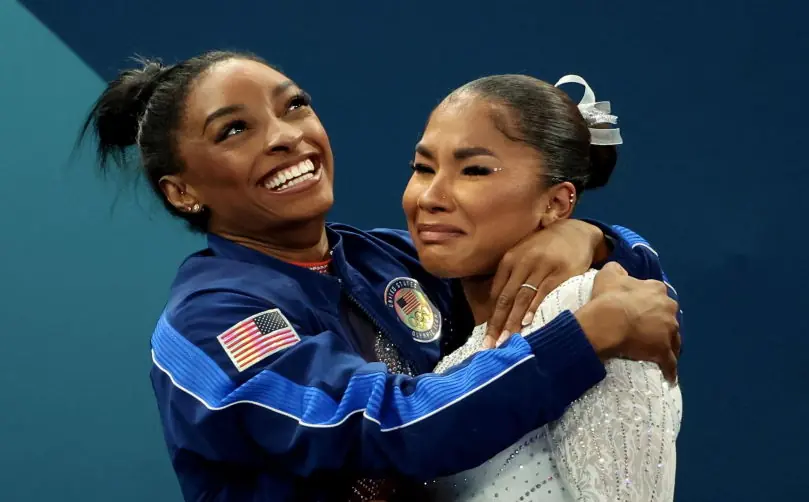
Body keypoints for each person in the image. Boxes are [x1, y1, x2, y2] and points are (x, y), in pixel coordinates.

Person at [80, 50, 681, 501]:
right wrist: (584, 336)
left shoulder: (388, 258)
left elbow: (622, 295)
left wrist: (593, 236)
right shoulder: (210, 322)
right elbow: (387, 428)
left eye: (294, 106)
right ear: (182, 191)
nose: (288, 137)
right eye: (235, 130)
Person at [401, 74, 682, 501]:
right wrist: (593, 236)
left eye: (474, 170)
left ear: (556, 202)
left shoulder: (594, 308)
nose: (430, 196)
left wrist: (595, 240)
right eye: (423, 168)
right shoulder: (436, 308)